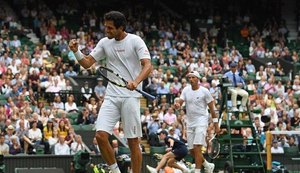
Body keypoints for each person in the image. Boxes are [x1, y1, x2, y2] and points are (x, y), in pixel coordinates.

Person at [68, 11, 152, 173]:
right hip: (112, 96)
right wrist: (76, 51)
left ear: (121, 28)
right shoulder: (104, 43)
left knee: (133, 142)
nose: (106, 30)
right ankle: (115, 171)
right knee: (100, 136)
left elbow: (147, 65)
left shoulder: (136, 41)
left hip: (131, 96)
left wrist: (136, 82)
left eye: (110, 28)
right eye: (105, 27)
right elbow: (86, 63)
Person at [174, 71, 220, 173]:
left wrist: (216, 126)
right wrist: (178, 105)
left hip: (201, 121)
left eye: (193, 77)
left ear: (198, 79)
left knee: (197, 147)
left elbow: (212, 110)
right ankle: (207, 165)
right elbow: (180, 101)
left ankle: (197, 171)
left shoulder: (205, 91)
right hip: (190, 122)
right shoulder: (186, 90)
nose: (191, 79)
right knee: (192, 151)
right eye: (189, 78)